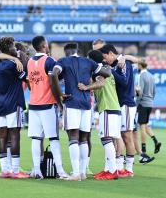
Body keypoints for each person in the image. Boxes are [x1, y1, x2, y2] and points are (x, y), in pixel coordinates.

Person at [50, 42, 110, 181]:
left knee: (73, 137)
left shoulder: (63, 61)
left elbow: (53, 75)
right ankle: (82, 172)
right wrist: (89, 84)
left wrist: (60, 94)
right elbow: (106, 72)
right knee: (84, 138)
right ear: (77, 50)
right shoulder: (88, 62)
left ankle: (76, 173)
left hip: (71, 102)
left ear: (66, 52)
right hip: (86, 103)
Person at [26, 36, 68, 179]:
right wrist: (59, 102)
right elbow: (53, 82)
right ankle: (61, 171)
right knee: (54, 139)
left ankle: (37, 170)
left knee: (36, 139)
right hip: (47, 104)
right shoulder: (49, 61)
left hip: (33, 104)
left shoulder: (30, 62)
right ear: (44, 45)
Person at [78, 49, 119, 180]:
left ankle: (112, 171)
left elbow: (100, 83)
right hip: (113, 107)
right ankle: (108, 169)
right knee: (109, 139)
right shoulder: (106, 69)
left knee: (105, 138)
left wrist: (86, 87)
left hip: (107, 107)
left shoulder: (100, 70)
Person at [0, 36, 29, 179]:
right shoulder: (15, 65)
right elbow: (26, 78)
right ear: (9, 48)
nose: (15, 49)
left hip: (0, 106)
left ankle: (5, 170)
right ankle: (15, 171)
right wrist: (20, 59)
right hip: (14, 104)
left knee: (3, 136)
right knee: (15, 136)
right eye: (13, 46)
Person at [99, 44, 137, 177]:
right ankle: (119, 166)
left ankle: (130, 168)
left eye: (105, 57)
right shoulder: (117, 63)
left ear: (110, 53)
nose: (105, 60)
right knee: (119, 135)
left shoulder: (123, 62)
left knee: (127, 135)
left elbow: (125, 82)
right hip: (120, 103)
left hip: (126, 103)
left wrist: (112, 70)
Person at [137, 61, 161, 164]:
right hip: (150, 103)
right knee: (145, 125)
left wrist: (138, 101)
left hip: (143, 103)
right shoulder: (151, 76)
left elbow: (140, 91)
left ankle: (143, 150)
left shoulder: (141, 75)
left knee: (142, 127)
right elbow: (155, 91)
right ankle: (156, 141)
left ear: (140, 66)